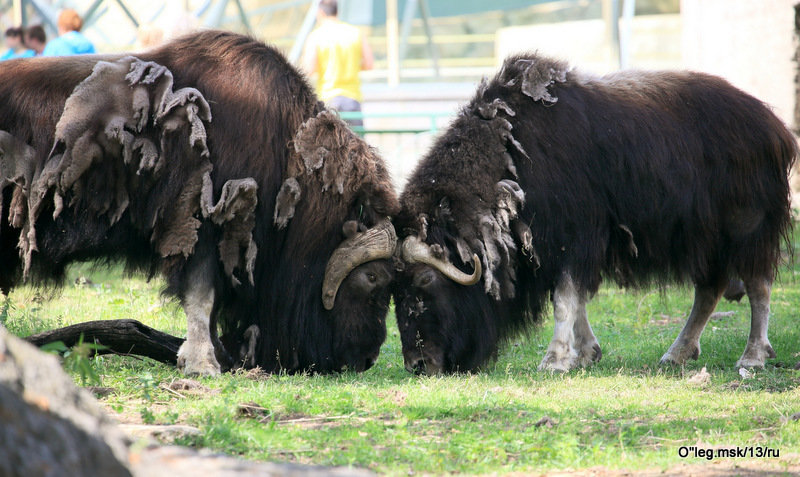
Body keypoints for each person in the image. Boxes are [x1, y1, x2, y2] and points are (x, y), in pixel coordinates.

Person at [302, 0, 373, 126]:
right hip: (353, 99)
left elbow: (309, 69)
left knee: (329, 144)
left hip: (328, 100)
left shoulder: (316, 36)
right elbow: (369, 64)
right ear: (337, 11)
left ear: (320, 13)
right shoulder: (355, 33)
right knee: (356, 142)